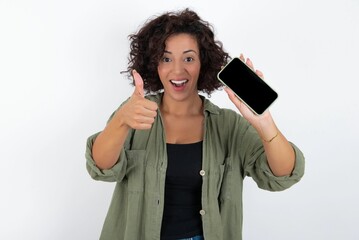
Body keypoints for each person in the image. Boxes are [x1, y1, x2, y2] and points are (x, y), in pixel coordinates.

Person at [85, 8, 305, 240]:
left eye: (188, 58)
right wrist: (121, 121)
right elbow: (100, 168)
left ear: (203, 63)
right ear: (154, 64)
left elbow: (283, 175)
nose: (177, 70)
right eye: (166, 58)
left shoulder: (229, 126)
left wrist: (264, 123)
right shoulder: (135, 111)